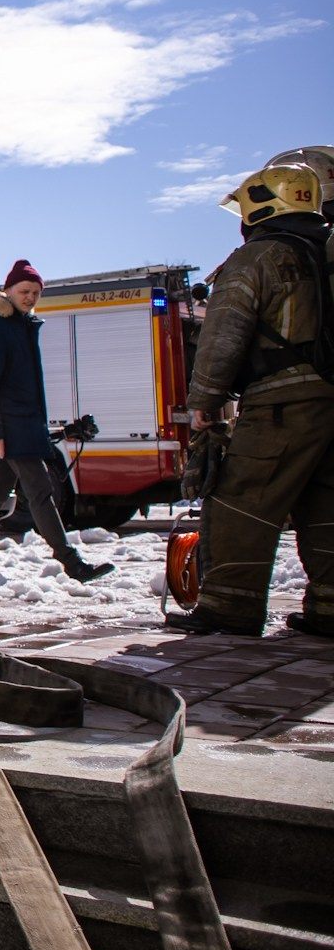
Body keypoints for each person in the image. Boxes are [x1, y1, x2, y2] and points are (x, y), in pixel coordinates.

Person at [166, 163, 334, 636]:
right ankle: (329, 608)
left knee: (244, 498)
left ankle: (230, 606)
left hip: (282, 403)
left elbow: (223, 337)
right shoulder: (327, 252)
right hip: (330, 401)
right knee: (325, 506)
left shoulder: (257, 258)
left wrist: (204, 400)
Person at [0, 261, 113, 581]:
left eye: (36, 292)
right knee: (40, 490)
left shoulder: (20, 324)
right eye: (24, 291)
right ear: (7, 290)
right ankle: (72, 562)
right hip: (10, 427)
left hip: (21, 425)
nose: (30, 297)